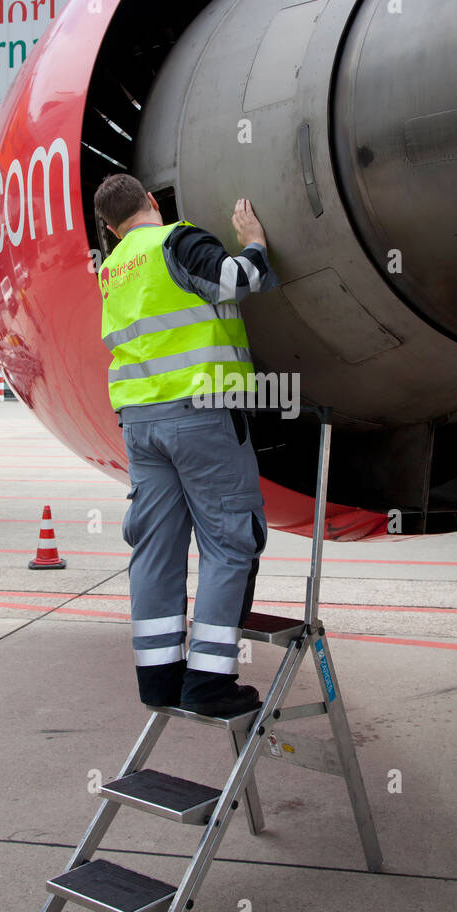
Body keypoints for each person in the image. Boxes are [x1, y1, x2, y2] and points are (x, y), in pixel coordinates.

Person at [94, 173, 279, 717]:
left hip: (141, 425)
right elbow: (236, 281)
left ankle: (159, 677)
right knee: (228, 541)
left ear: (110, 227)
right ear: (152, 203)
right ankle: (210, 681)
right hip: (199, 415)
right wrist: (255, 243)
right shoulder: (176, 239)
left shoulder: (111, 270)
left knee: (155, 546)